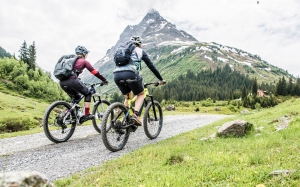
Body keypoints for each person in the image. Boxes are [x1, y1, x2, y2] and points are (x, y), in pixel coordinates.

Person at [113, 36, 166, 126]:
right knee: (140, 94)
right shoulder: (140, 51)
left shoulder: (122, 50)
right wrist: (160, 79)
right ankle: (135, 115)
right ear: (139, 44)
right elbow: (151, 67)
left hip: (116, 75)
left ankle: (124, 121)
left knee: (128, 97)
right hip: (131, 74)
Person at [60, 45, 108, 124]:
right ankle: (86, 114)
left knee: (76, 98)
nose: (87, 56)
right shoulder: (83, 61)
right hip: (72, 81)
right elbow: (94, 72)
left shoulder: (71, 61)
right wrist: (104, 80)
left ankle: (66, 115)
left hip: (62, 82)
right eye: (86, 54)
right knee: (88, 93)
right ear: (84, 54)